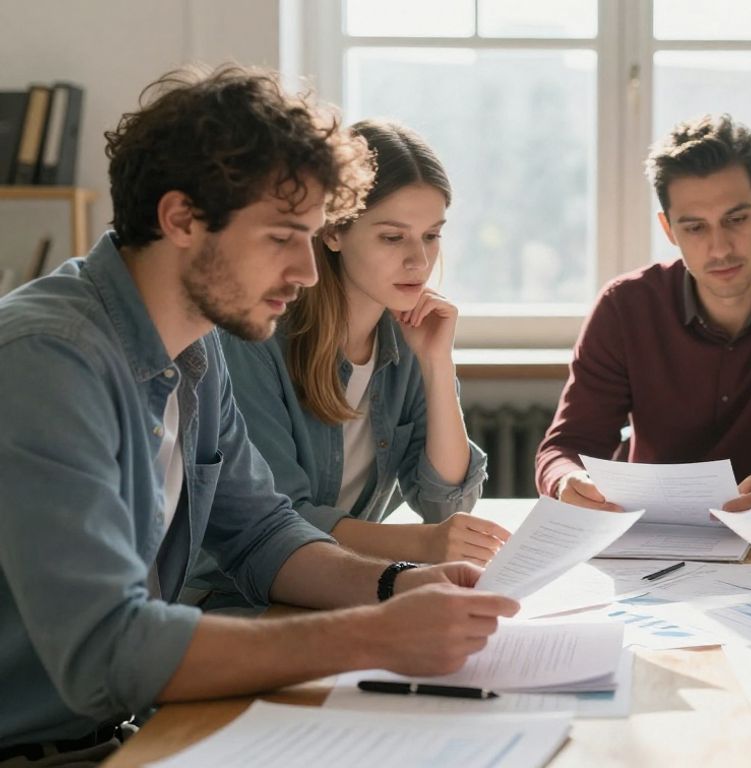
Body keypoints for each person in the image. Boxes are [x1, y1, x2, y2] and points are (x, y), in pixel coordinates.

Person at [0, 66, 517, 763]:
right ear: (180, 219)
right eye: (281, 237)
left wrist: (396, 585)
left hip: (122, 728)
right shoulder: (48, 358)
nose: (307, 271)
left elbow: (261, 533)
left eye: (311, 236)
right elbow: (105, 650)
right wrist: (377, 633)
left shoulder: (196, 347)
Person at [187, 120, 504, 611]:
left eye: (432, 236)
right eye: (393, 237)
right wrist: (424, 546)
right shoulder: (256, 338)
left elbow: (446, 505)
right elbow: (276, 523)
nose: (419, 262)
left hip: (346, 593)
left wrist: (437, 364)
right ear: (334, 231)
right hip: (235, 601)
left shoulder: (408, 337)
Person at [534, 113, 751, 515]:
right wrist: (567, 481)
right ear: (668, 229)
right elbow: (566, 447)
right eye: (695, 228)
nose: (720, 248)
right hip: (653, 534)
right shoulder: (625, 306)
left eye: (737, 219)